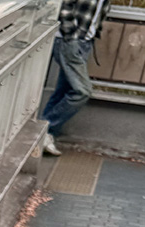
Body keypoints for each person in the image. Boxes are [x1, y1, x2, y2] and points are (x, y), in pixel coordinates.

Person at [40, 0, 111, 156]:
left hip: (85, 42)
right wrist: (70, 36)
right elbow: (65, 6)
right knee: (82, 91)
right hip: (70, 41)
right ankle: (43, 131)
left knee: (64, 91)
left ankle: (44, 134)